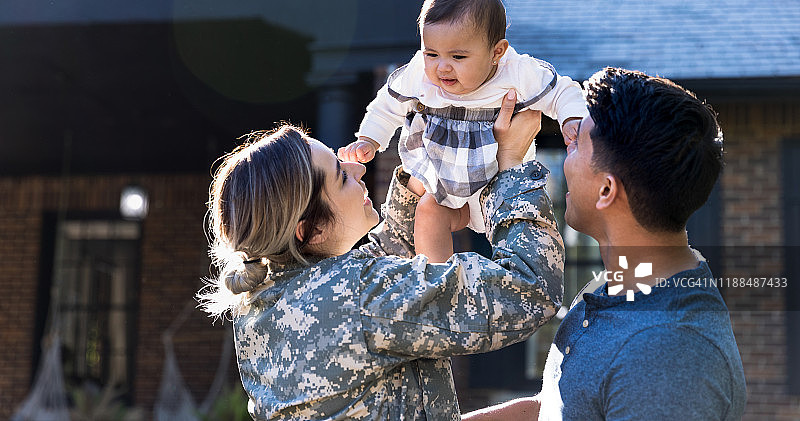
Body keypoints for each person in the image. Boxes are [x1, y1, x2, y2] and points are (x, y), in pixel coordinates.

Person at [198, 91, 565, 420]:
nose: (358, 167)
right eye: (341, 177)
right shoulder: (353, 297)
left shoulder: (267, 304)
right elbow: (528, 290)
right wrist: (512, 166)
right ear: (310, 230)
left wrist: (422, 167)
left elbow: (384, 265)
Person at [463, 67, 747, 421]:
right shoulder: (617, 286)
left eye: (576, 142)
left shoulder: (667, 355)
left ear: (606, 190)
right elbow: (557, 406)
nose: (567, 152)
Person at [338, 0, 587, 263]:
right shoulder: (420, 74)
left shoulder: (518, 72)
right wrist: (369, 138)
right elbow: (387, 104)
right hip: (442, 182)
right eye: (432, 54)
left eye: (457, 57)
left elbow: (562, 90)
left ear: (497, 52)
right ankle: (436, 281)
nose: (442, 67)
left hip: (496, 185)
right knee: (427, 211)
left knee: (514, 233)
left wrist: (571, 119)